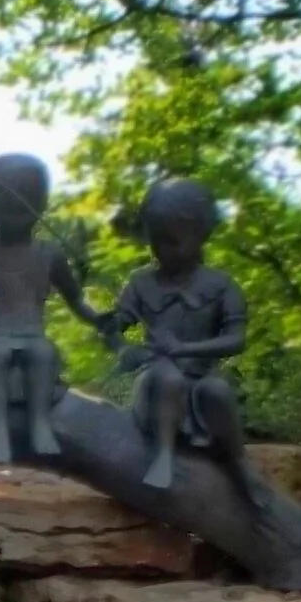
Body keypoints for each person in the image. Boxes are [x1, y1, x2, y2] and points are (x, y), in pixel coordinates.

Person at [99, 178, 256, 499]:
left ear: (201, 235)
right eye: (156, 241)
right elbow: (118, 327)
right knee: (168, 376)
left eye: (171, 241)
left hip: (200, 380)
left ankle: (239, 464)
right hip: (156, 383)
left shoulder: (221, 285)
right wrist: (119, 342)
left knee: (217, 390)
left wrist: (185, 348)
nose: (162, 250)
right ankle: (163, 456)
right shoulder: (142, 282)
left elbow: (236, 339)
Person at [0, 153, 102, 463]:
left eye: (26, 195)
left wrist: (99, 319)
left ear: (41, 203)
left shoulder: (50, 254)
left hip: (32, 336)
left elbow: (76, 300)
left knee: (44, 353)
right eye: (4, 195)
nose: (15, 204)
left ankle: (40, 424)